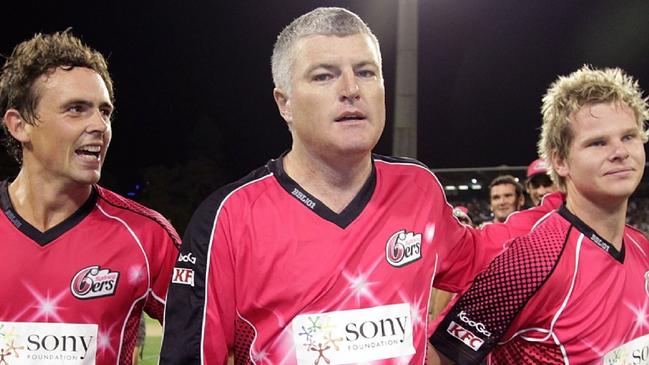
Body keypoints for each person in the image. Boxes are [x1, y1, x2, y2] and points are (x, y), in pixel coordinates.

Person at [159, 8, 561, 364]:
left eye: (366, 72)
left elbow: (489, 258)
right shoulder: (228, 216)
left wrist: (575, 202)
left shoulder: (417, 188)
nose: (351, 88)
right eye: (324, 75)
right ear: (284, 103)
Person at [429, 65, 649, 364]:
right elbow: (443, 355)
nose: (620, 151)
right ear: (560, 162)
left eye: (629, 137)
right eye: (598, 142)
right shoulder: (532, 260)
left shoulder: (642, 247)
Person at [0, 30, 180, 365]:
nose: (99, 124)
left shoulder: (148, 237)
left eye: (104, 111)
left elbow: (209, 343)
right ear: (19, 125)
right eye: (76, 109)